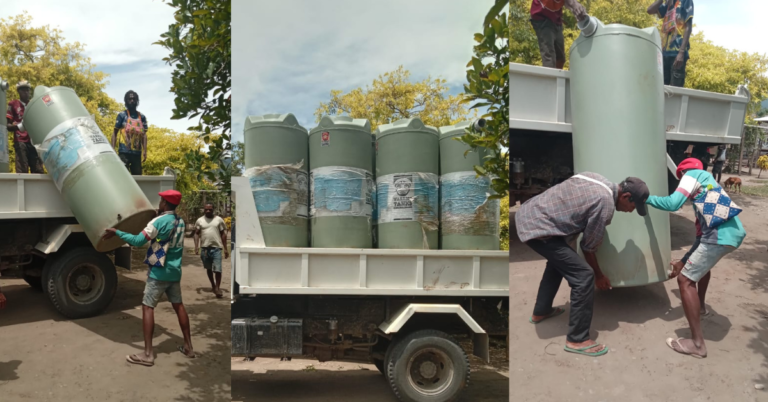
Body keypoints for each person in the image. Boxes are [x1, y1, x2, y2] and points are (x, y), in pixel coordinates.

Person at [515, 173, 650, 357]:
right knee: (583, 276)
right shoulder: (605, 204)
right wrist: (599, 276)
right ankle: (577, 339)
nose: (631, 210)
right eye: (633, 206)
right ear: (626, 197)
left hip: (529, 213)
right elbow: (588, 247)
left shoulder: (595, 178)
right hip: (538, 227)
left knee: (559, 262)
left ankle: (541, 311)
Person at [646, 158, 746, 358]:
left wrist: (646, 198)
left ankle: (697, 345)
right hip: (731, 234)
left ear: (681, 174)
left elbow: (673, 203)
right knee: (701, 268)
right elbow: (701, 240)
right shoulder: (709, 186)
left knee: (685, 280)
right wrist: (684, 260)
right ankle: (700, 307)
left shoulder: (691, 175)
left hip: (719, 238)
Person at [102, 190, 194, 366]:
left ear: (165, 203)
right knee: (179, 306)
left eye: (161, 200)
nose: (159, 203)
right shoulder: (180, 221)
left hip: (158, 273)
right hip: (174, 272)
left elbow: (138, 241)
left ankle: (148, 354)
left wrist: (117, 232)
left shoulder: (158, 222)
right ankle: (189, 347)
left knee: (147, 307)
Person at [529, 0, 588, 70]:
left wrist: (576, 9)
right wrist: (573, 3)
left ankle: (557, 78)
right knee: (549, 55)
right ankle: (549, 79)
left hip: (556, 20)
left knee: (560, 58)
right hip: (542, 18)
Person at [647, 0, 694, 87]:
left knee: (675, 91)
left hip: (677, 54)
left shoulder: (686, 1)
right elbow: (650, 10)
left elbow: (688, 27)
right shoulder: (667, 3)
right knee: (662, 89)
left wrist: (681, 52)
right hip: (664, 53)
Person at [6, 80, 44, 174]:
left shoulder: (33, 104)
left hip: (34, 141)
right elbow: (8, 126)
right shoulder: (13, 104)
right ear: (19, 91)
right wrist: (19, 127)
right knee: (22, 170)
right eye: (23, 90)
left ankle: (38, 189)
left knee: (38, 169)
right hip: (20, 141)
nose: (26, 92)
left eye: (27, 90)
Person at [194, 203, 229, 298]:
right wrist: (196, 246)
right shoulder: (200, 220)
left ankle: (217, 288)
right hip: (205, 249)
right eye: (206, 209)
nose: (208, 211)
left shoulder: (218, 220)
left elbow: (223, 234)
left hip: (216, 248)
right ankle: (213, 285)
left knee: (218, 269)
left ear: (213, 209)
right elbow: (196, 233)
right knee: (208, 268)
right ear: (204, 210)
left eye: (210, 209)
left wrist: (225, 249)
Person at [111, 90, 148, 175]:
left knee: (138, 178)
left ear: (137, 101)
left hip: (137, 153)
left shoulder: (141, 117)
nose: (132, 101)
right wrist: (113, 149)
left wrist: (145, 150)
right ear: (126, 101)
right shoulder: (121, 115)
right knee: (122, 176)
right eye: (129, 99)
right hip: (124, 153)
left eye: (134, 99)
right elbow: (115, 133)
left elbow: (144, 135)